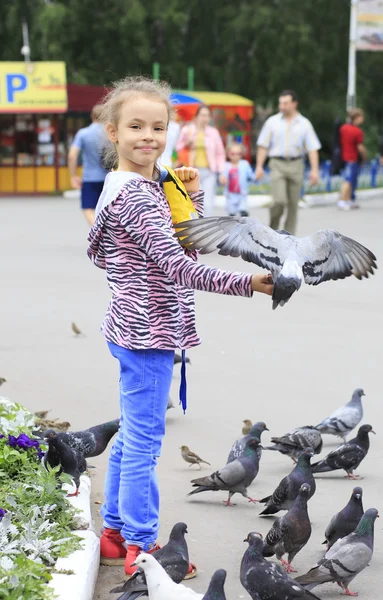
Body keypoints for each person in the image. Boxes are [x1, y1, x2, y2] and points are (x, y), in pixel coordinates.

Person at [87, 76, 273, 577]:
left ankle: (114, 533)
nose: (148, 137)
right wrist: (249, 282)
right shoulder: (141, 198)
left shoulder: (129, 186)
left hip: (129, 327)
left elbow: (188, 239)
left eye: (158, 127)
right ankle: (142, 549)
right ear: (112, 132)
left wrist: (188, 194)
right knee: (145, 443)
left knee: (131, 436)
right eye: (135, 127)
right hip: (148, 335)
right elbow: (184, 265)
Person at [255, 90, 321, 234]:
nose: (282, 106)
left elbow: (312, 148)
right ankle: (272, 231)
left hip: (297, 164)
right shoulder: (272, 122)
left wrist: (315, 170)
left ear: (294, 104)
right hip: (277, 164)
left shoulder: (304, 123)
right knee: (279, 201)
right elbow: (263, 146)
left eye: (285, 103)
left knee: (293, 205)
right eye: (280, 103)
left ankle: (289, 238)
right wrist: (259, 166)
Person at [176, 105, 226, 216]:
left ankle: (206, 229)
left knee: (208, 203)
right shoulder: (187, 130)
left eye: (208, 116)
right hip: (192, 172)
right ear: (197, 116)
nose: (205, 118)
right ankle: (193, 227)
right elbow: (178, 148)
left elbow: (220, 153)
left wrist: (221, 172)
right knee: (193, 202)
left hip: (209, 172)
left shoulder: (213, 132)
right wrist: (187, 143)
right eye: (203, 115)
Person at [68, 105, 108, 226]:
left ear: (92, 116)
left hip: (90, 178)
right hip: (109, 177)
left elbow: (72, 156)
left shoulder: (83, 133)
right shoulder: (111, 133)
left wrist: (73, 175)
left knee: (88, 209)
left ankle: (99, 232)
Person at [338, 108, 367, 211]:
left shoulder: (343, 128)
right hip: (352, 157)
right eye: (361, 117)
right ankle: (342, 201)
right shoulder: (357, 131)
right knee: (349, 180)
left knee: (351, 180)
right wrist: (364, 156)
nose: (362, 119)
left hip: (343, 156)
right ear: (357, 117)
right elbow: (360, 147)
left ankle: (348, 200)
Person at [219, 142, 254, 216]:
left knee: (243, 210)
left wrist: (256, 176)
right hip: (230, 194)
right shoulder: (226, 165)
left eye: (239, 154)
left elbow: (251, 176)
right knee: (231, 212)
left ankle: (244, 220)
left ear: (242, 154)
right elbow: (222, 176)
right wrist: (222, 179)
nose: (236, 156)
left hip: (241, 193)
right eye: (233, 154)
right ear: (228, 154)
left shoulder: (244, 164)